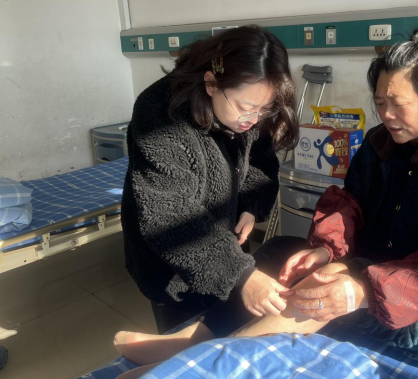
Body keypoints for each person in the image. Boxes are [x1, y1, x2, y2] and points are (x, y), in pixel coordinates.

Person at [115, 27, 418, 376]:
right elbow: (348, 205)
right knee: (281, 253)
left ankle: (201, 364)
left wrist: (361, 290)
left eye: (399, 104)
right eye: (380, 102)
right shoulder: (380, 144)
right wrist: (326, 249)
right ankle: (196, 341)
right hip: (377, 264)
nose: (386, 115)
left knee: (325, 287)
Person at [120, 25, 299, 336]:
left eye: (264, 110)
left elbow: (260, 161)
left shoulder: (251, 106)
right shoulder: (160, 115)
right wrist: (241, 275)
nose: (253, 120)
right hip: (169, 264)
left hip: (223, 245)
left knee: (221, 326)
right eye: (246, 109)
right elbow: (170, 215)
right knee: (182, 330)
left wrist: (251, 206)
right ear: (212, 83)